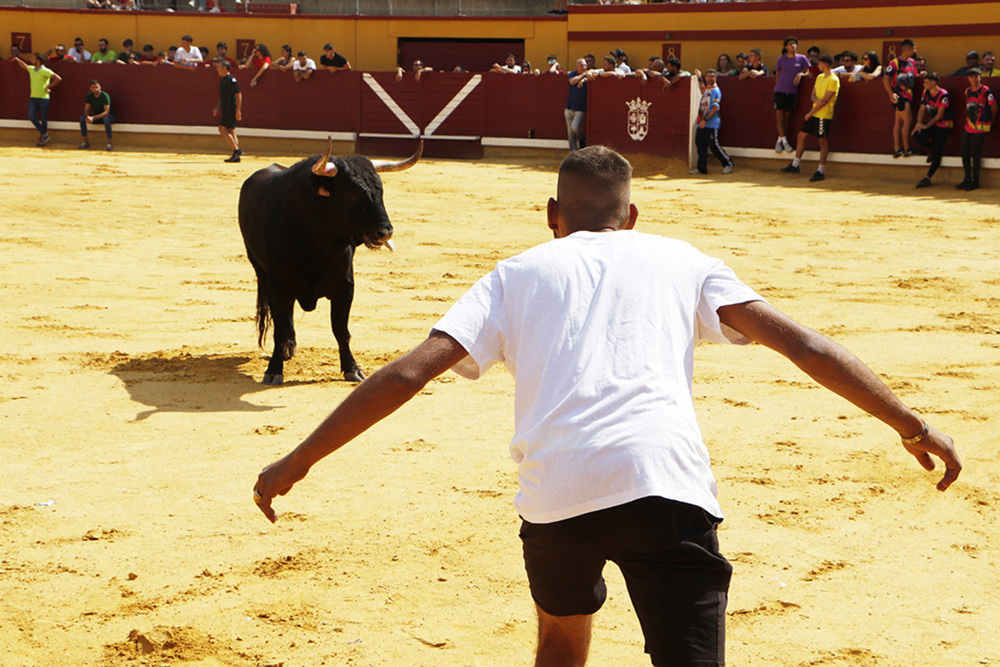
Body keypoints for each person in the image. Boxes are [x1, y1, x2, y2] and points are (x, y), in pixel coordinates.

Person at [253, 144, 961, 667]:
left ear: (553, 214)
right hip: (666, 485)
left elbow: (408, 374)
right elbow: (801, 345)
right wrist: (912, 422)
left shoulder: (516, 272)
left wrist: (297, 459)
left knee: (560, 642)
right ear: (632, 216)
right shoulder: (681, 259)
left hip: (557, 494)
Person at [781, 53, 840, 182]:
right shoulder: (820, 77)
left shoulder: (833, 80)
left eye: (819, 63)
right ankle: (795, 164)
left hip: (823, 115)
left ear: (824, 64)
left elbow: (824, 101)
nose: (818, 65)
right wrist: (817, 102)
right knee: (801, 136)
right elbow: (813, 95)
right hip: (815, 113)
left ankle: (820, 170)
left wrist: (811, 111)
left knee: (822, 142)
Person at [910, 73, 953, 189]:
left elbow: (939, 115)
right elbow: (922, 109)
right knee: (916, 135)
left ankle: (928, 177)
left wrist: (927, 125)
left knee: (938, 150)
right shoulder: (926, 92)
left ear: (933, 83)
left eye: (926, 82)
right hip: (934, 125)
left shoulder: (943, 95)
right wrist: (919, 124)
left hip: (944, 126)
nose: (924, 84)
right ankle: (934, 150)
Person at [957, 67, 997, 191]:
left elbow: (994, 107)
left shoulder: (985, 91)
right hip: (969, 126)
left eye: (976, 76)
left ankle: (975, 181)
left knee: (975, 155)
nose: (974, 79)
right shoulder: (967, 91)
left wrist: (990, 122)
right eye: (972, 77)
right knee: (965, 153)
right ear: (968, 78)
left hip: (980, 128)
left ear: (980, 77)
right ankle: (967, 178)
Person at [691, 69, 734, 176]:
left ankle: (728, 163)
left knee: (714, 146)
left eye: (712, 76)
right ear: (706, 78)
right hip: (701, 122)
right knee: (700, 146)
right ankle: (701, 168)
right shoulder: (707, 89)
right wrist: (699, 77)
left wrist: (705, 120)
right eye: (708, 76)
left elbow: (715, 108)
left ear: (716, 78)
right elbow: (702, 89)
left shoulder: (716, 91)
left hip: (711, 123)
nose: (710, 78)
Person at [773, 36, 811, 153]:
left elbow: (807, 71)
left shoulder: (802, 58)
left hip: (792, 92)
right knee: (779, 118)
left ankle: (780, 140)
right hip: (780, 91)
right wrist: (778, 87)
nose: (792, 45)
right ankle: (785, 141)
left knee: (787, 119)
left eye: (794, 43)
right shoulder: (781, 59)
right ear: (786, 47)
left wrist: (801, 75)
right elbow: (777, 75)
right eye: (790, 44)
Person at [14, 54, 61, 146]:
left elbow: (58, 78)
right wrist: (17, 59)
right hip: (34, 97)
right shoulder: (32, 69)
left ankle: (42, 138)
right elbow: (24, 66)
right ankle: (44, 134)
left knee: (43, 119)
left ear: (38, 61)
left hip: (44, 97)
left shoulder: (45, 70)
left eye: (33, 58)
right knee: (31, 116)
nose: (31, 60)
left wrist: (48, 86)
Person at [883, 38, 917, 157]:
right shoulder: (895, 63)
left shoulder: (912, 62)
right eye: (913, 48)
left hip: (907, 94)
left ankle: (897, 148)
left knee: (898, 122)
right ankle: (907, 148)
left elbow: (913, 75)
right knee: (908, 120)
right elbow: (885, 78)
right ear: (907, 49)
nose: (915, 50)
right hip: (900, 95)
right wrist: (891, 94)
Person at [213, 59, 243, 163]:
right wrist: (217, 107)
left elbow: (238, 94)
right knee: (231, 130)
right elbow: (222, 97)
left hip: (230, 108)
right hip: (227, 107)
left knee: (222, 129)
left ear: (225, 68)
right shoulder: (223, 80)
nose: (217, 69)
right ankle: (236, 155)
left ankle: (236, 150)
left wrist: (238, 110)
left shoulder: (231, 79)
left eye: (219, 67)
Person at [78, 79, 114, 151]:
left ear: (100, 87)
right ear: (90, 88)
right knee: (82, 118)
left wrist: (93, 118)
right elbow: (86, 110)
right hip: (97, 116)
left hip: (109, 117)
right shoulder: (89, 96)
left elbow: (106, 113)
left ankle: (109, 144)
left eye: (97, 87)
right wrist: (87, 117)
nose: (96, 89)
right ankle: (85, 142)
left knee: (106, 119)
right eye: (93, 88)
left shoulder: (104, 96)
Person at [564, 58, 588, 151]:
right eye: (581, 65)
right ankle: (572, 153)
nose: (584, 67)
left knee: (574, 127)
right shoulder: (572, 74)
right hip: (569, 107)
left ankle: (582, 139)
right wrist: (583, 76)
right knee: (570, 133)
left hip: (580, 108)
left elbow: (596, 72)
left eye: (585, 65)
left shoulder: (589, 73)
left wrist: (584, 78)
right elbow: (572, 81)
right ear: (576, 66)